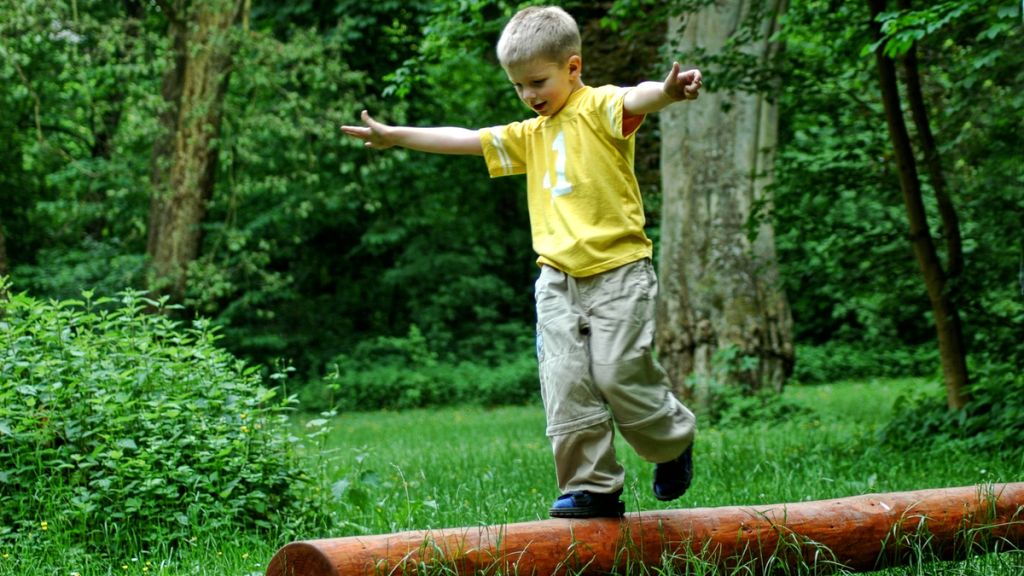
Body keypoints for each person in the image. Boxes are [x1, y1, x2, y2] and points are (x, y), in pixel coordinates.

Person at [342, 5, 700, 519]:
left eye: (538, 81)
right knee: (565, 382)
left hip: (619, 272)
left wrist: (667, 91)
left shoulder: (599, 109)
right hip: (557, 279)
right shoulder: (529, 135)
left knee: (619, 372)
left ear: (572, 68)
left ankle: (670, 442)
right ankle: (592, 487)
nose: (529, 95)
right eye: (518, 87)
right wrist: (396, 134)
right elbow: (466, 138)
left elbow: (637, 95)